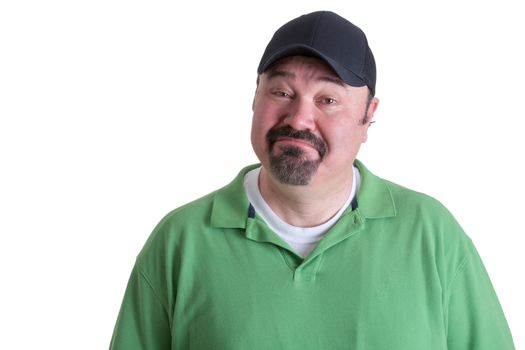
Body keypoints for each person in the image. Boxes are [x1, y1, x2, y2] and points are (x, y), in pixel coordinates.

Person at [109, 11, 515, 349]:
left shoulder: (432, 234)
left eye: (328, 99)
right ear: (255, 98)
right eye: (282, 92)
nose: (299, 119)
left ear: (368, 115)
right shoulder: (180, 241)